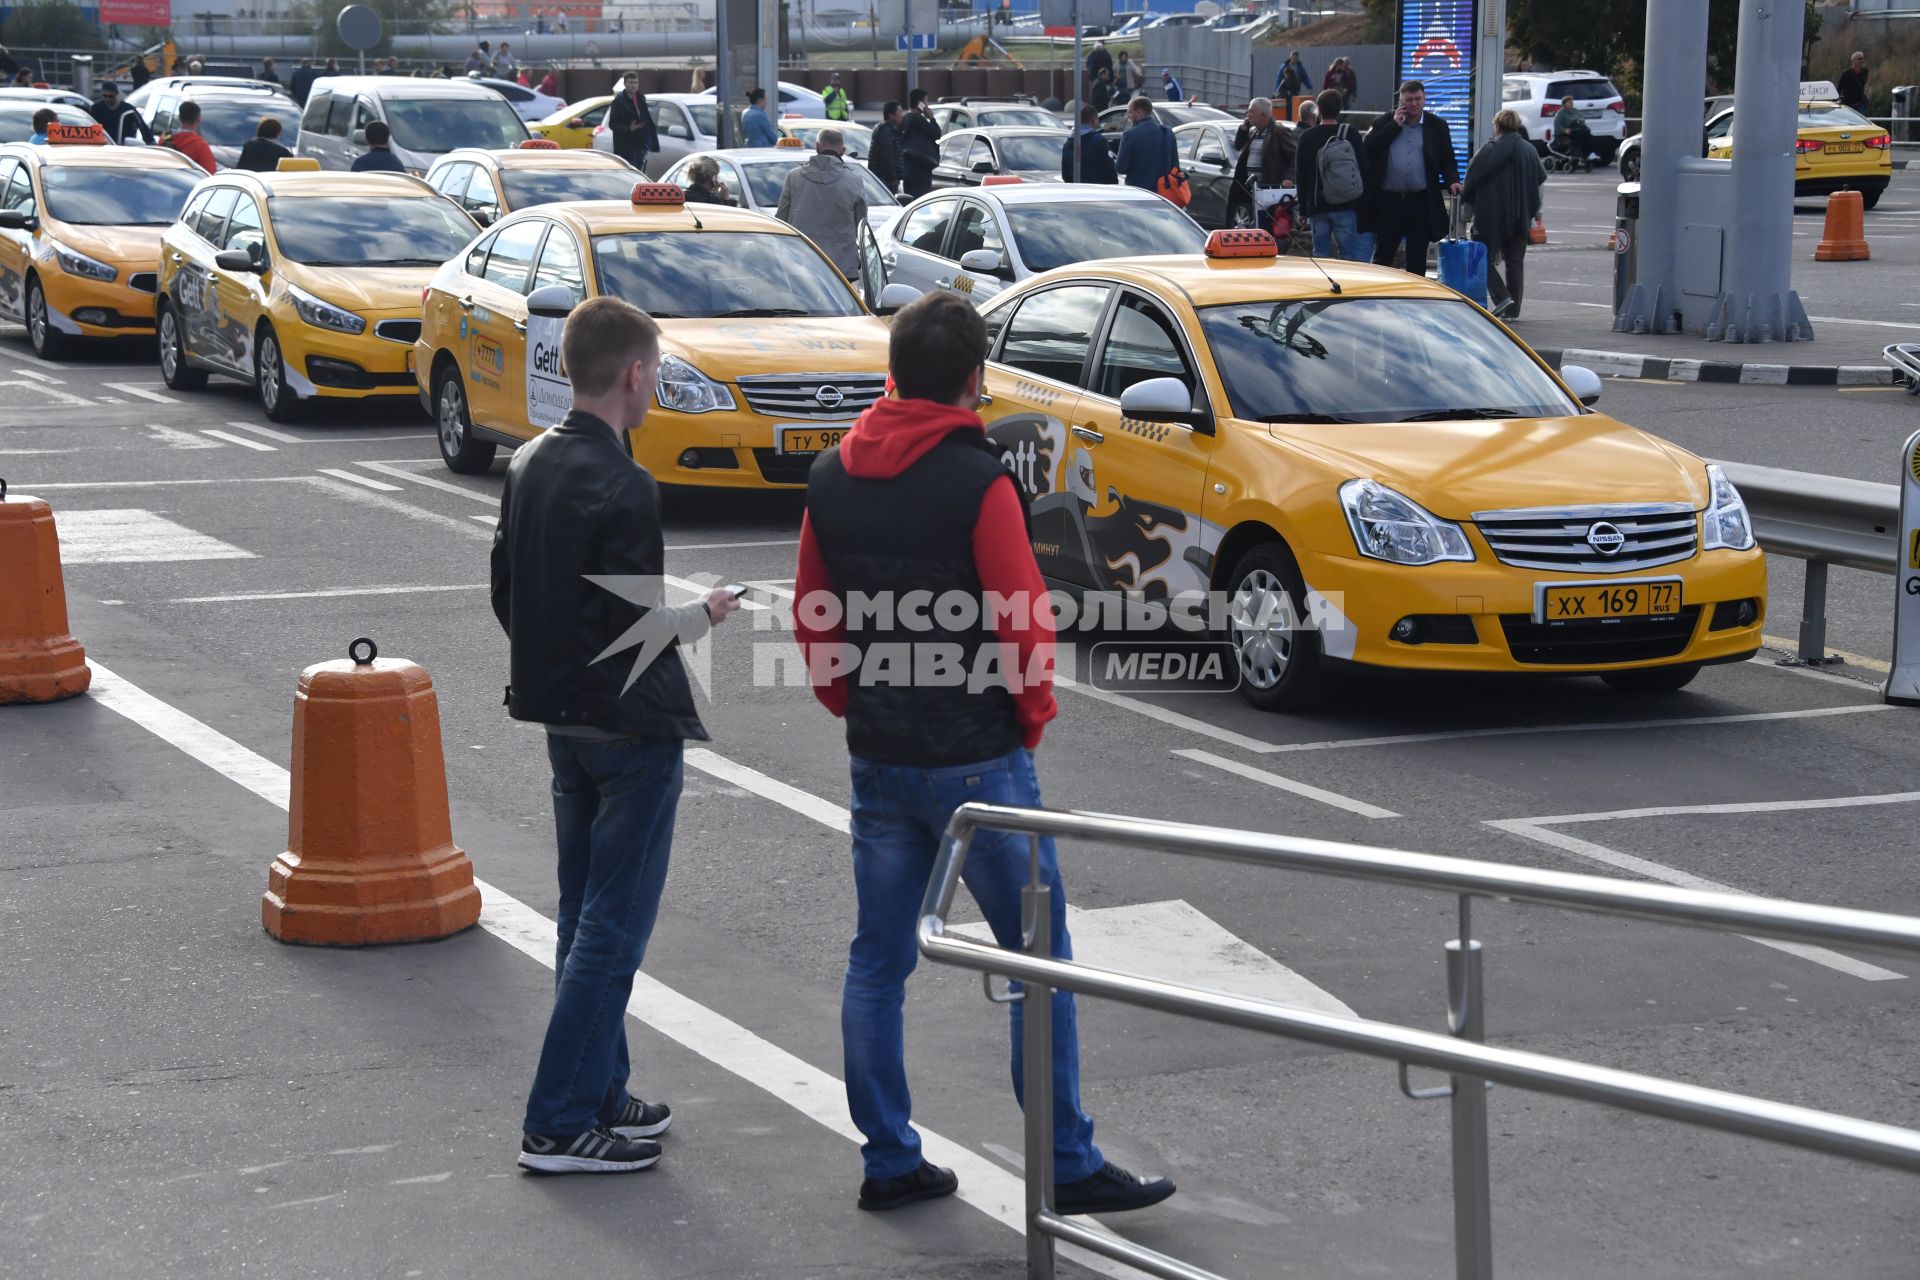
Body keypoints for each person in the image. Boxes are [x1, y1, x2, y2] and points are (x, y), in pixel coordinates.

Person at [793, 288, 1179, 1218]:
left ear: (893, 372)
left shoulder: (832, 476)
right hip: (981, 760)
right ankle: (1062, 1158)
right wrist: (1031, 717)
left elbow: (814, 616)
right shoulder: (980, 480)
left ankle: (889, 1156)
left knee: (877, 963)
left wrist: (856, 702)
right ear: (975, 380)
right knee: (1039, 962)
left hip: (881, 753)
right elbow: (1023, 621)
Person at [493, 293, 741, 1177]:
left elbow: (507, 597)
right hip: (628, 733)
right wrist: (703, 617)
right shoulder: (626, 483)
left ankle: (600, 1091)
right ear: (634, 376)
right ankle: (558, 1122)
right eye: (656, 373)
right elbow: (633, 631)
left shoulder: (527, 461)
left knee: (582, 915)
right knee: (612, 929)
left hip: (560, 720)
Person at [1365, 80, 1459, 274]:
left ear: (1424, 99)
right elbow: (1368, 148)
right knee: (1383, 256)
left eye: (1418, 99)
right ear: (1401, 100)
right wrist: (1394, 126)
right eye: (1409, 100)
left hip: (1421, 201)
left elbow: (1447, 159)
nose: (1414, 104)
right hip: (1390, 201)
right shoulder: (1386, 121)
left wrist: (1453, 180)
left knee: (1417, 259)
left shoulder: (1437, 125)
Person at [1462, 107, 1546, 320]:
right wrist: (1536, 212)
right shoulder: (1529, 151)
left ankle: (1501, 297)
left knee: (1480, 258)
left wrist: (1467, 211)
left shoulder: (1488, 151)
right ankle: (1513, 309)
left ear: (1497, 126)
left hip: (1490, 217)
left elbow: (1471, 182)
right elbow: (1538, 184)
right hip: (1520, 217)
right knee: (1515, 262)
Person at [776, 127, 868, 278]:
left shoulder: (794, 177)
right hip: (841, 265)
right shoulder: (854, 180)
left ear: (817, 147)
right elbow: (861, 224)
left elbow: (781, 220)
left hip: (802, 261)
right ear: (843, 151)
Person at [1295, 87, 1373, 262]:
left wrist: (1302, 209)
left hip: (1317, 207)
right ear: (1339, 109)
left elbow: (1301, 176)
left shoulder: (1307, 137)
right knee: (1347, 255)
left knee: (1321, 256)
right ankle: (1346, 287)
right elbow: (1363, 166)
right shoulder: (1350, 133)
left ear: (1318, 110)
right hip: (1346, 204)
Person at [1233, 97, 1297, 232]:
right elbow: (1238, 146)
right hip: (1253, 190)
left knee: (1268, 228)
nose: (1248, 114)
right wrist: (1243, 128)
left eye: (1252, 111)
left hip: (1270, 190)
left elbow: (1294, 156)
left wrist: (1289, 178)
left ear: (1263, 114)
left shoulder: (1278, 131)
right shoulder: (1253, 131)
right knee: (1255, 226)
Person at [1115, 96, 1176, 194]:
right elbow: (1175, 165)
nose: (1128, 115)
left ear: (1139, 112)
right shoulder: (1167, 132)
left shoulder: (1130, 135)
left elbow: (1121, 168)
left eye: (1130, 112)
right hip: (1164, 193)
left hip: (1138, 192)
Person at [609, 73, 659, 169]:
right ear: (625, 83)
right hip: (626, 147)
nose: (633, 85)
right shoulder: (618, 101)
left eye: (635, 83)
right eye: (630, 82)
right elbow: (612, 124)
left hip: (640, 145)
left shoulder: (641, 99)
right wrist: (629, 128)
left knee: (640, 172)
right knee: (631, 173)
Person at [898, 89, 940, 197]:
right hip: (921, 168)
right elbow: (936, 133)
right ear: (920, 104)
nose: (927, 105)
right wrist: (932, 118)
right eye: (925, 102)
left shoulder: (905, 119)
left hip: (908, 168)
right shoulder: (919, 120)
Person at [1061, 104, 1118, 183]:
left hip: (1076, 190)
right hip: (1096, 190)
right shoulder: (1099, 141)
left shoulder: (1069, 143)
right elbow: (1109, 169)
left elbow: (1065, 174)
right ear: (1094, 120)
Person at [90, 80, 154, 145]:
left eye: (110, 96)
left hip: (125, 146)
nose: (107, 99)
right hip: (104, 145)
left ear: (116, 94)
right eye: (105, 96)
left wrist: (150, 141)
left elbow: (142, 126)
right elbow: (91, 126)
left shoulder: (128, 109)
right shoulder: (96, 108)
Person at [168, 100, 216, 172]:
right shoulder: (200, 145)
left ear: (179, 117)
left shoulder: (165, 138)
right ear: (198, 119)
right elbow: (210, 173)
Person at [1550, 95, 1595, 169]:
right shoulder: (1561, 113)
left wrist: (1581, 120)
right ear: (1564, 104)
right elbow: (1557, 125)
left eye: (1572, 102)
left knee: (1589, 136)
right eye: (1569, 103)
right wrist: (1564, 130)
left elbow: (1581, 117)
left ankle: (1587, 155)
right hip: (1564, 134)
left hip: (1576, 130)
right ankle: (1576, 155)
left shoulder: (1575, 111)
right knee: (1577, 137)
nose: (1571, 104)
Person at [868, 100, 903, 194]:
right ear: (891, 115)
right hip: (885, 180)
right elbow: (887, 156)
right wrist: (893, 178)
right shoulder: (885, 131)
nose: (901, 115)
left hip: (887, 179)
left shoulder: (892, 129)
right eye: (899, 112)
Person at [1275, 50, 1305, 119]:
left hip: (1292, 94)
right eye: (1294, 58)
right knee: (1289, 110)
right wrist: (1277, 90)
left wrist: (1309, 86)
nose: (1295, 60)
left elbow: (1304, 77)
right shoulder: (1284, 66)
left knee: (1290, 110)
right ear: (1291, 57)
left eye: (1296, 59)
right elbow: (1279, 79)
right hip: (1288, 95)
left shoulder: (1299, 67)